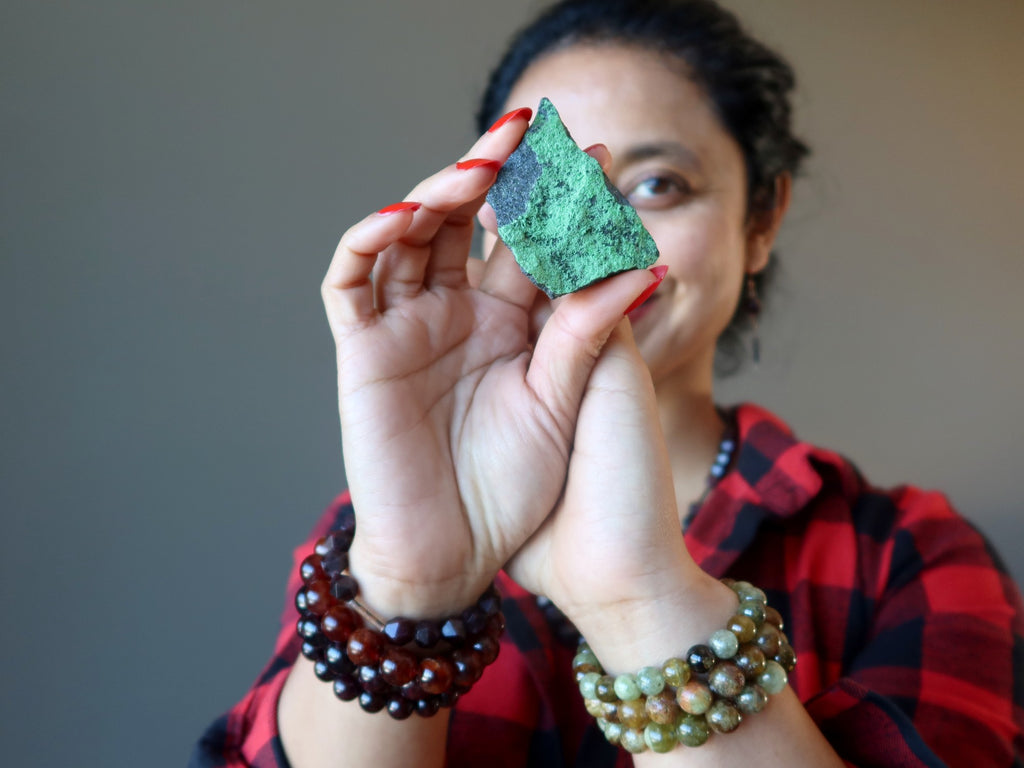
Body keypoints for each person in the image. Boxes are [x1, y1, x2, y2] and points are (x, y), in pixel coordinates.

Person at [191, 1, 1024, 766]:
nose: (606, 227)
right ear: (489, 205)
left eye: (659, 184)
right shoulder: (365, 542)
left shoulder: (908, 555)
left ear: (761, 218)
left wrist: (644, 602)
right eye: (545, 185)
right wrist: (410, 590)